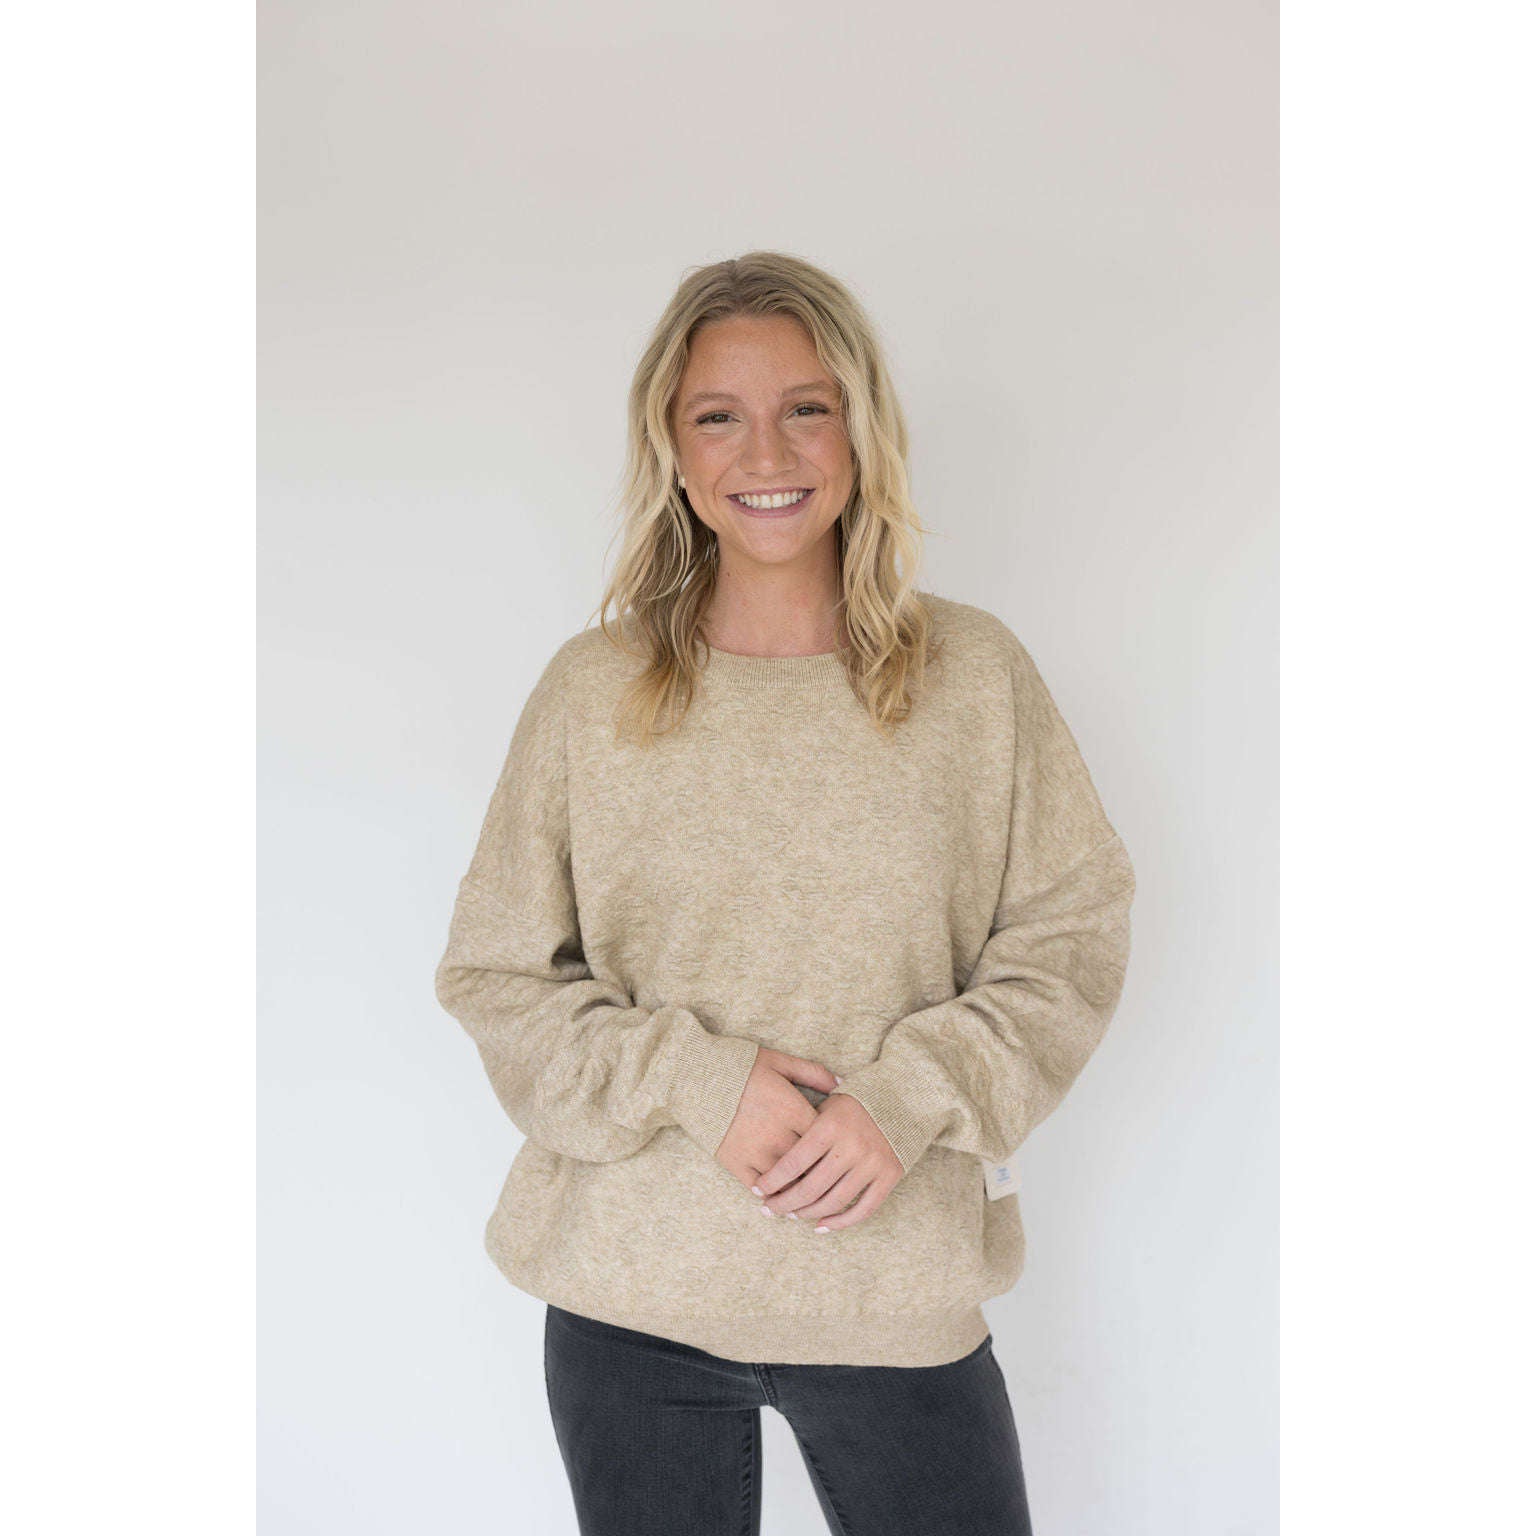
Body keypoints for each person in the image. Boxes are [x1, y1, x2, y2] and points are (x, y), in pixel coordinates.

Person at [433, 251, 1137, 1535]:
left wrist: (906, 1099)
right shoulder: (592, 693)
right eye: (720, 415)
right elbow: (497, 975)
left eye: (807, 407)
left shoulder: (975, 678)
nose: (768, 451)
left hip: (895, 1293)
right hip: (631, 1305)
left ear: (861, 430)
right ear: (674, 448)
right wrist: (699, 1083)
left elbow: (1070, 939)